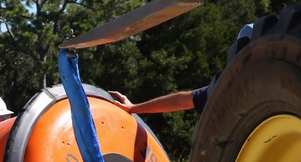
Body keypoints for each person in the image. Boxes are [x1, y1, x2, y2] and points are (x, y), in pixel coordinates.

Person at [108, 23, 254, 117]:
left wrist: (134, 108)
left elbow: (183, 101)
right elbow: (183, 100)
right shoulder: (232, 88)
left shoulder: (234, 87)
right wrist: (134, 108)